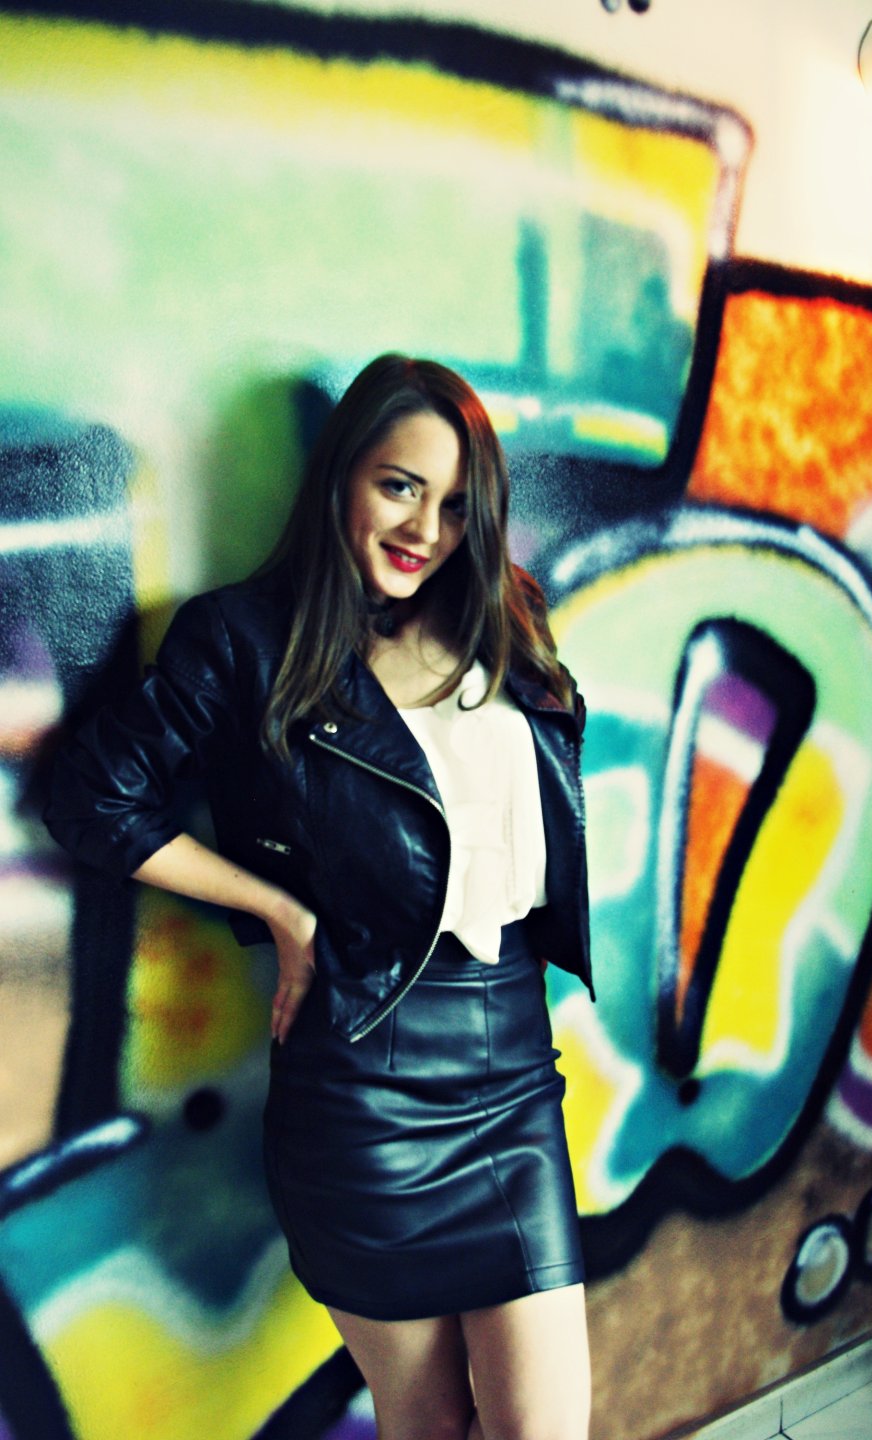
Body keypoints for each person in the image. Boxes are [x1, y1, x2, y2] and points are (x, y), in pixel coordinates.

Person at [44, 354, 594, 1440]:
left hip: (513, 1069)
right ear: (342, 475)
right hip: (360, 1080)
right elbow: (91, 797)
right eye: (399, 486)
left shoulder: (504, 618)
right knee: (425, 1421)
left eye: (454, 505)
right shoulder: (243, 640)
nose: (424, 529)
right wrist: (278, 912)